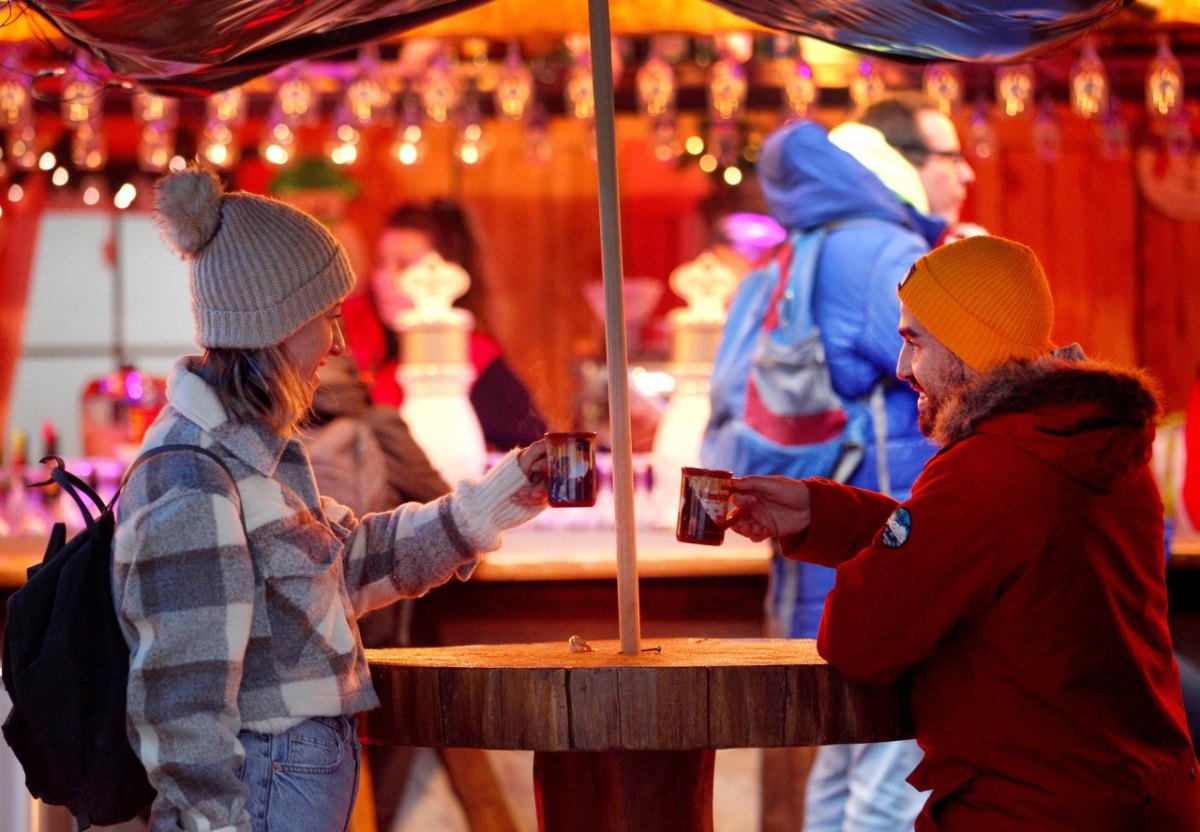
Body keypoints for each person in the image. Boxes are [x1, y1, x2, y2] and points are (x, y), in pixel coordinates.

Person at [113, 167, 550, 832]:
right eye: (328, 319)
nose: (340, 344)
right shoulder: (192, 472)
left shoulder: (255, 447)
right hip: (262, 796)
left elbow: (342, 565)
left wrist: (495, 499)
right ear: (275, 326)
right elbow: (181, 706)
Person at [729, 235, 1200, 831]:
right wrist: (820, 513)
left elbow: (858, 638)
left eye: (914, 341)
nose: (902, 368)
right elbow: (984, 549)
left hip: (1028, 811)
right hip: (1141, 796)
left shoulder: (993, 465)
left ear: (966, 342)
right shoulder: (1092, 441)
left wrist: (866, 549)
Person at [723, 92, 976, 831]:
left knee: (844, 764)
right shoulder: (882, 253)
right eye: (950, 156)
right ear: (901, 163)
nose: (965, 174)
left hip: (822, 553)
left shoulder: (798, 246)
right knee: (894, 779)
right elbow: (973, 372)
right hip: (887, 552)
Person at [344, 199, 547, 451]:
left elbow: (534, 449)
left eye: (403, 265)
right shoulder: (345, 328)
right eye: (380, 263)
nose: (384, 279)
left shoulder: (475, 358)